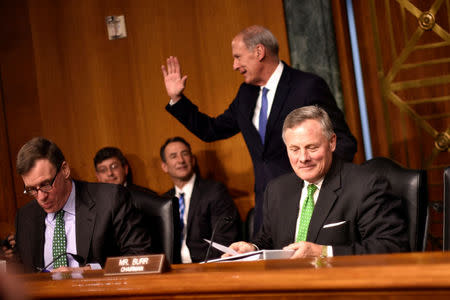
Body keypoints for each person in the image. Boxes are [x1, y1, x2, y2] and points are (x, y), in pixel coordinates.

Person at [161, 25, 357, 234]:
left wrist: (324, 188)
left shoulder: (306, 86)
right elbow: (212, 130)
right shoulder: (246, 93)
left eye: (238, 57)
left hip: (310, 203)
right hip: (267, 207)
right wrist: (177, 99)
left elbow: (343, 143)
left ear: (259, 52)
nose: (235, 65)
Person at [226, 106, 408, 258]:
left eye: (311, 147)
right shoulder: (277, 189)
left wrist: (323, 252)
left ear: (332, 142)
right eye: (294, 149)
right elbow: (268, 240)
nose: (303, 158)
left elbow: (391, 246)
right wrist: (252, 249)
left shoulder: (366, 184)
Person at [12, 137, 152, 272]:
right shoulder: (25, 216)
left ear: (65, 170)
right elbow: (21, 274)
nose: (41, 197)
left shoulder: (111, 199)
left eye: (46, 184)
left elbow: (140, 257)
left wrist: (87, 272)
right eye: (31, 189)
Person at [160, 137, 241, 263]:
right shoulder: (163, 201)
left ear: (192, 160)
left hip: (205, 266)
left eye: (185, 154)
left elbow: (225, 239)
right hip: (171, 267)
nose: (181, 160)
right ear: (164, 166)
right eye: (173, 156)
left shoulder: (214, 191)